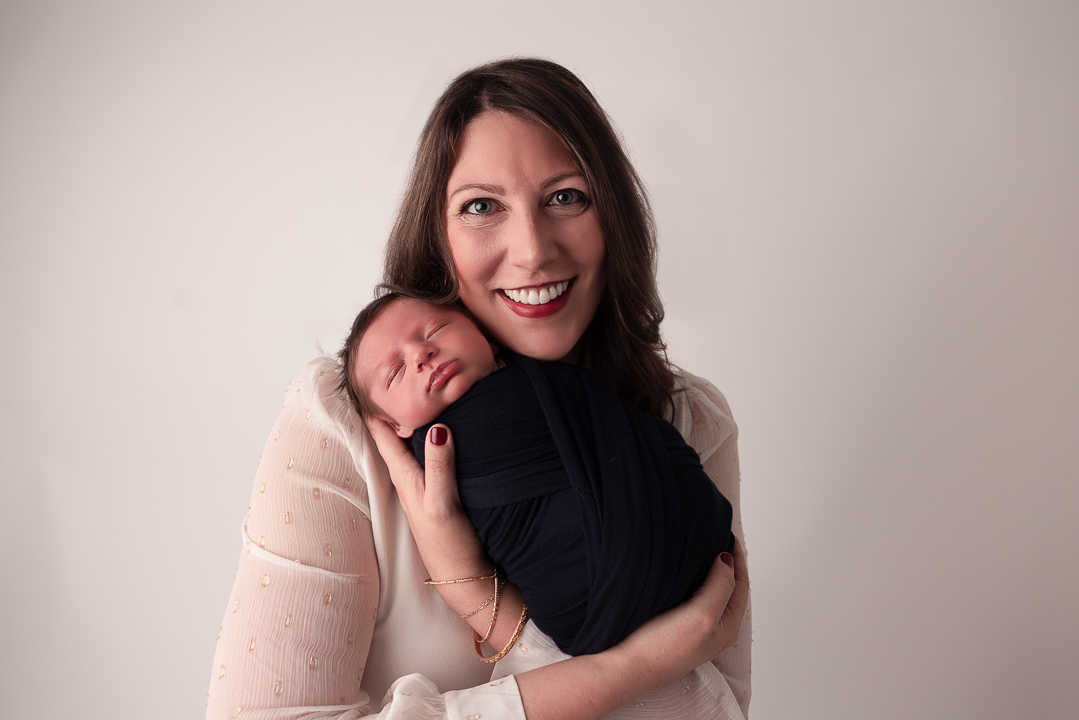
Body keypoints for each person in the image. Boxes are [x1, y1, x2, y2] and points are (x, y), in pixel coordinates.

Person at [207, 57, 750, 720]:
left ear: (613, 217)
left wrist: (493, 611)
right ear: (439, 239)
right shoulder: (343, 422)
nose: (530, 249)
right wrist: (627, 668)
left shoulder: (688, 420)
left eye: (565, 196)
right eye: (481, 207)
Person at [339, 291, 735, 657]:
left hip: (696, 544)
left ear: (488, 338)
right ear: (393, 427)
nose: (421, 354)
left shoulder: (559, 380)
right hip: (591, 602)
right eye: (395, 372)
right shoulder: (418, 452)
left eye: (436, 330)